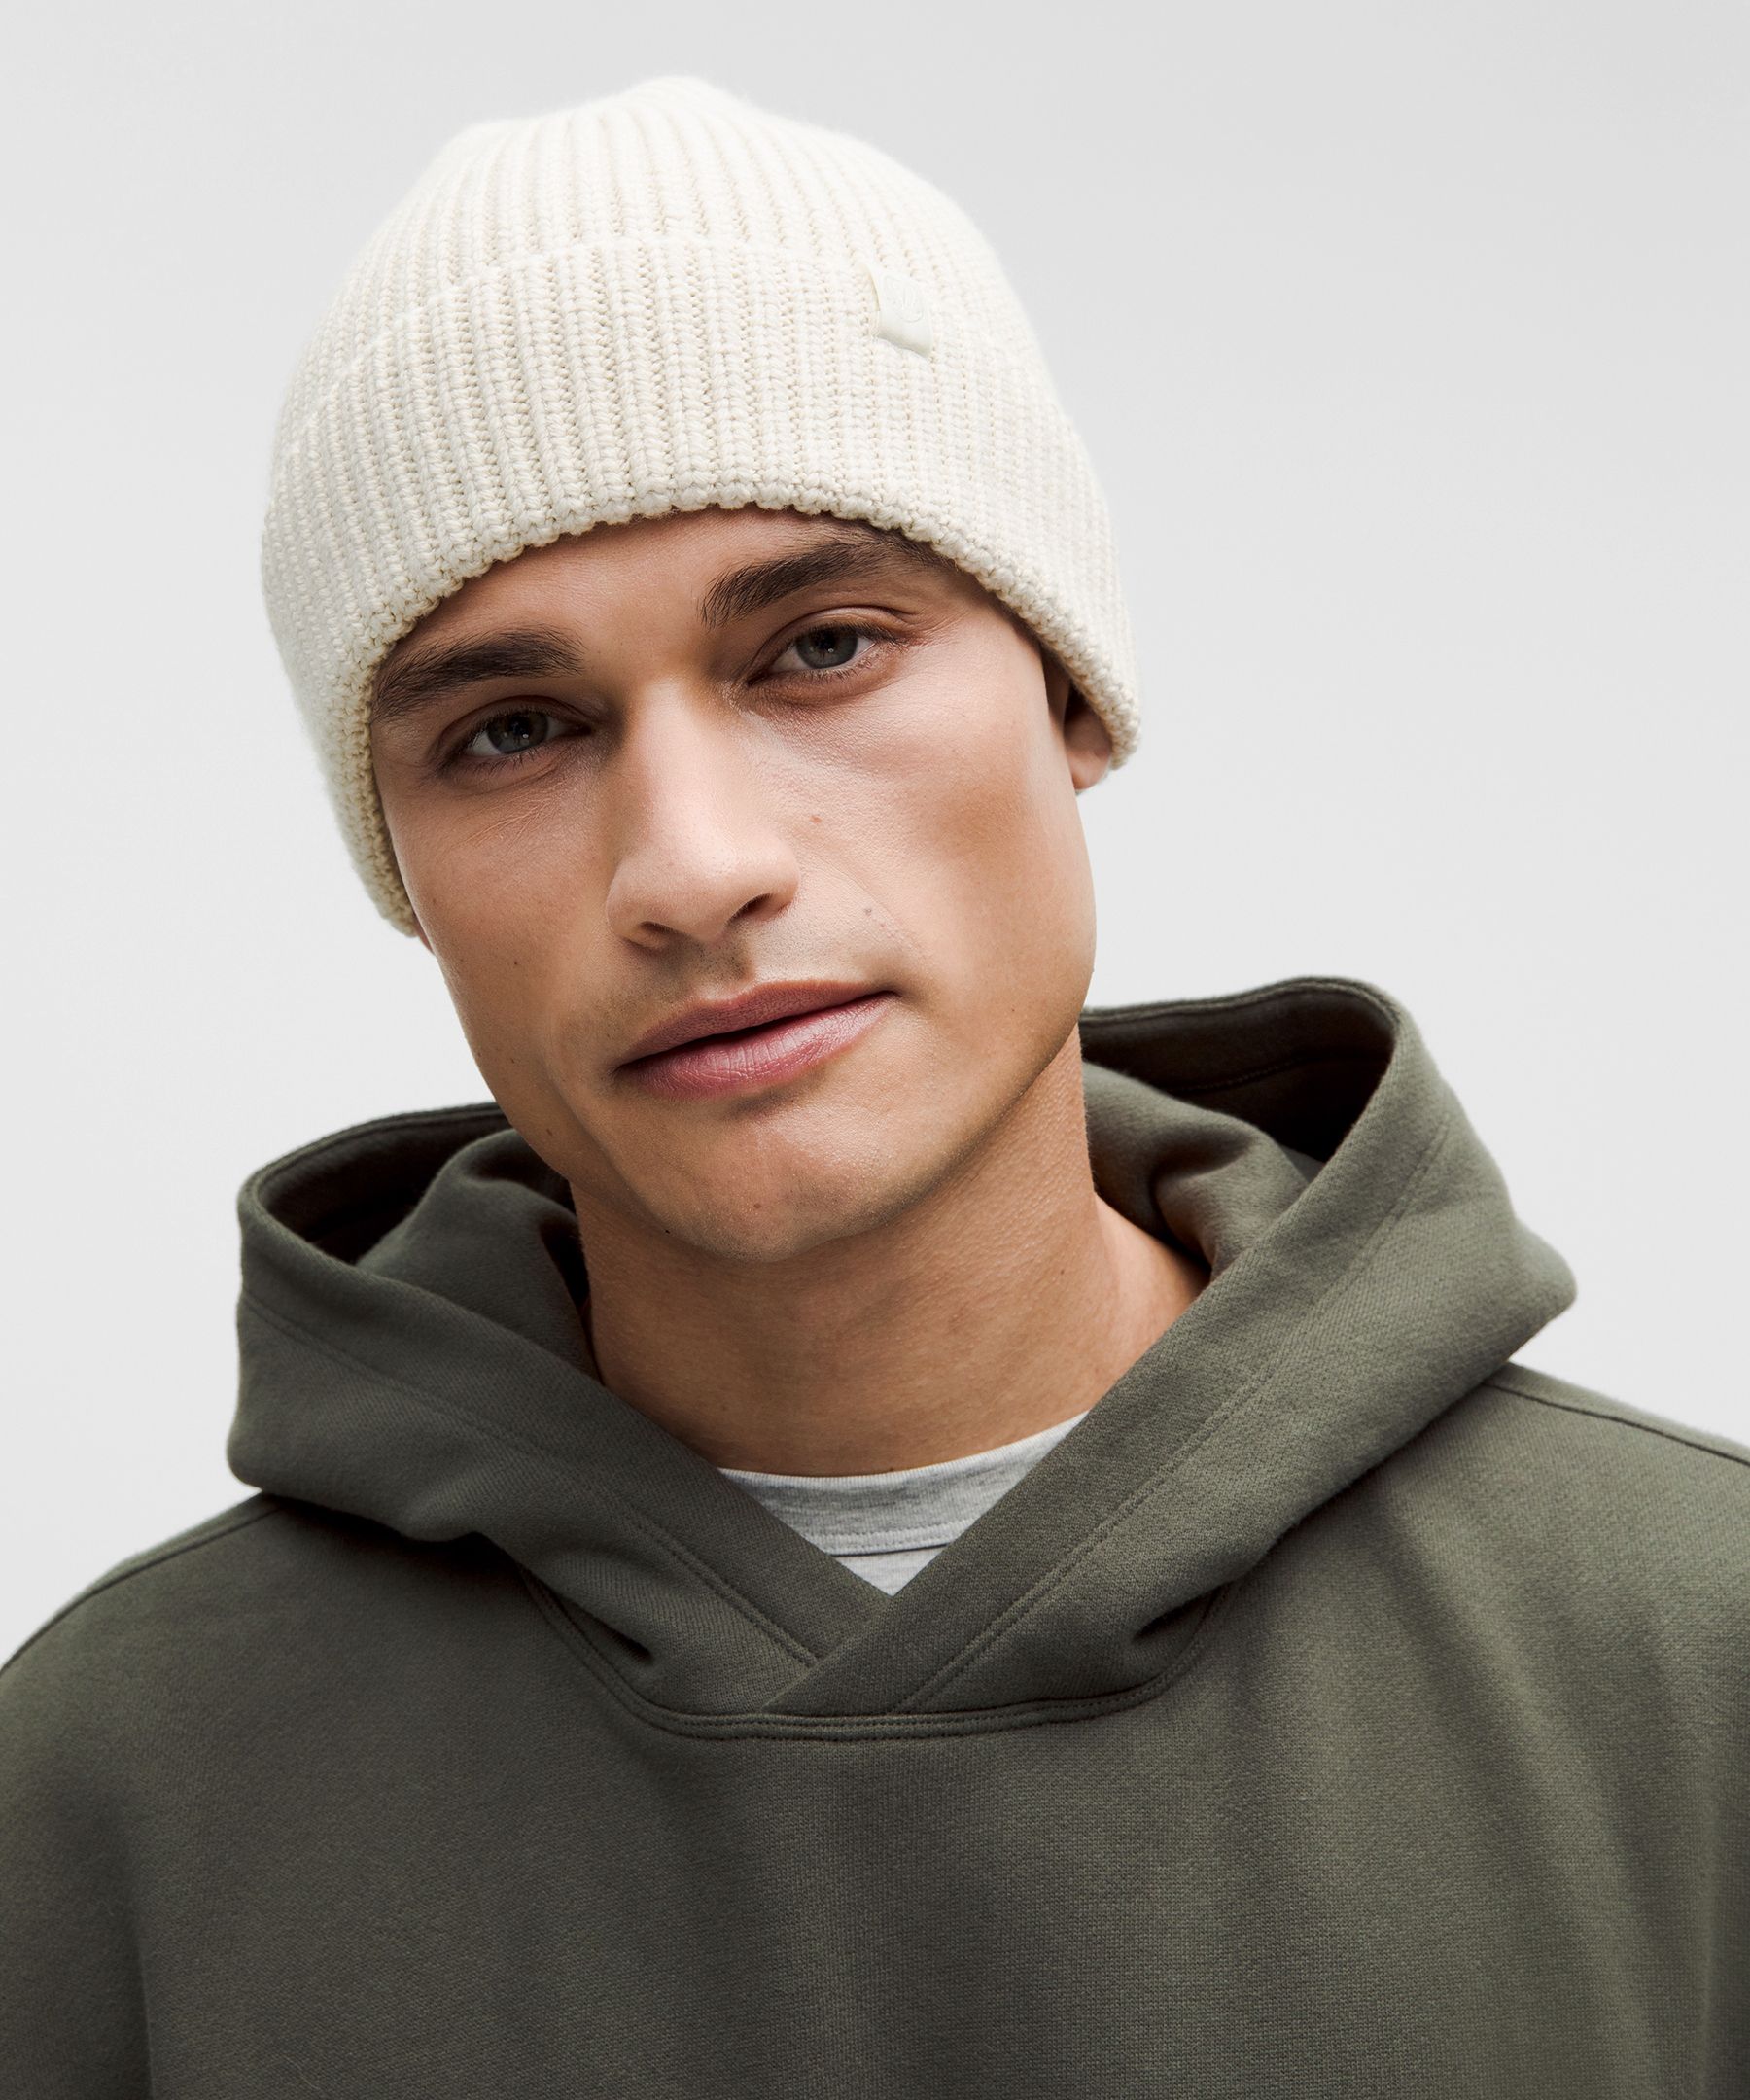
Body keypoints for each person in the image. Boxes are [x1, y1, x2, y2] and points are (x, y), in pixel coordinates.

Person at [2, 74, 1742, 2097]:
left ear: (1072, 692)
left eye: (821, 647)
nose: (691, 865)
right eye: (511, 732)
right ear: (402, 868)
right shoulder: (109, 1800)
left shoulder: (1692, 1665)